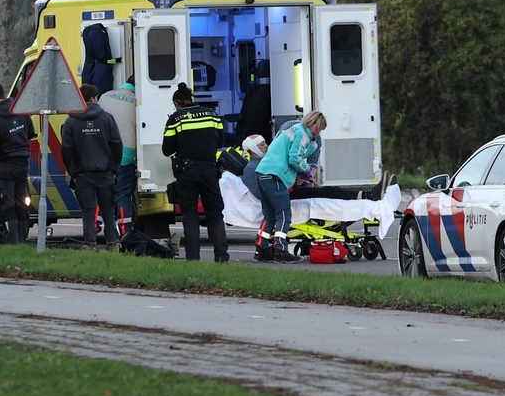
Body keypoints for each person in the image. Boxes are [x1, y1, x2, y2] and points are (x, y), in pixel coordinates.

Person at [162, 83, 229, 262]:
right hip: (209, 170)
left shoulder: (176, 119)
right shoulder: (213, 115)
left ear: (177, 103)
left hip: (187, 171)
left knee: (190, 215)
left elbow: (167, 150)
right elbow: (221, 141)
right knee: (215, 214)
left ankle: (193, 259)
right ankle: (222, 257)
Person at [253, 111, 326, 263]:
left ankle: (261, 249)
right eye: (318, 128)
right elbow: (294, 158)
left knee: (269, 215)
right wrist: (306, 172)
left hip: (262, 173)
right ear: (312, 124)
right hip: (276, 175)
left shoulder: (290, 130)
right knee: (284, 214)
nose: (317, 132)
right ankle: (280, 250)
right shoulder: (302, 134)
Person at [240, 133, 389, 202]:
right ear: (252, 149)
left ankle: (368, 195)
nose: (266, 146)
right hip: (285, 196)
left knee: (329, 190)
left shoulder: (268, 161)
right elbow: (261, 193)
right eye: (261, 144)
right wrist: (291, 182)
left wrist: (298, 178)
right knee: (328, 192)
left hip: (289, 190)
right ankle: (368, 196)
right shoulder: (251, 169)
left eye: (265, 142)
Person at [62, 84, 123, 252]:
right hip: (105, 174)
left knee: (88, 213)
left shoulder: (71, 121)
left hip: (83, 175)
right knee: (108, 212)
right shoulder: (107, 118)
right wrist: (114, 169)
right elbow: (117, 145)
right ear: (94, 98)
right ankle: (113, 245)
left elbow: (66, 151)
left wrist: (74, 173)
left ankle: (89, 245)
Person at [0, 82, 37, 244]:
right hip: (22, 164)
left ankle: (12, 241)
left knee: (6, 202)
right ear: (4, 95)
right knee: (21, 201)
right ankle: (22, 238)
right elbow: (31, 133)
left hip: (4, 165)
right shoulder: (20, 111)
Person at [98, 75, 137, 237]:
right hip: (125, 156)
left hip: (103, 154)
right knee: (122, 194)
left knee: (102, 192)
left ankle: (94, 225)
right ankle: (125, 232)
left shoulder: (106, 96)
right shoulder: (136, 102)